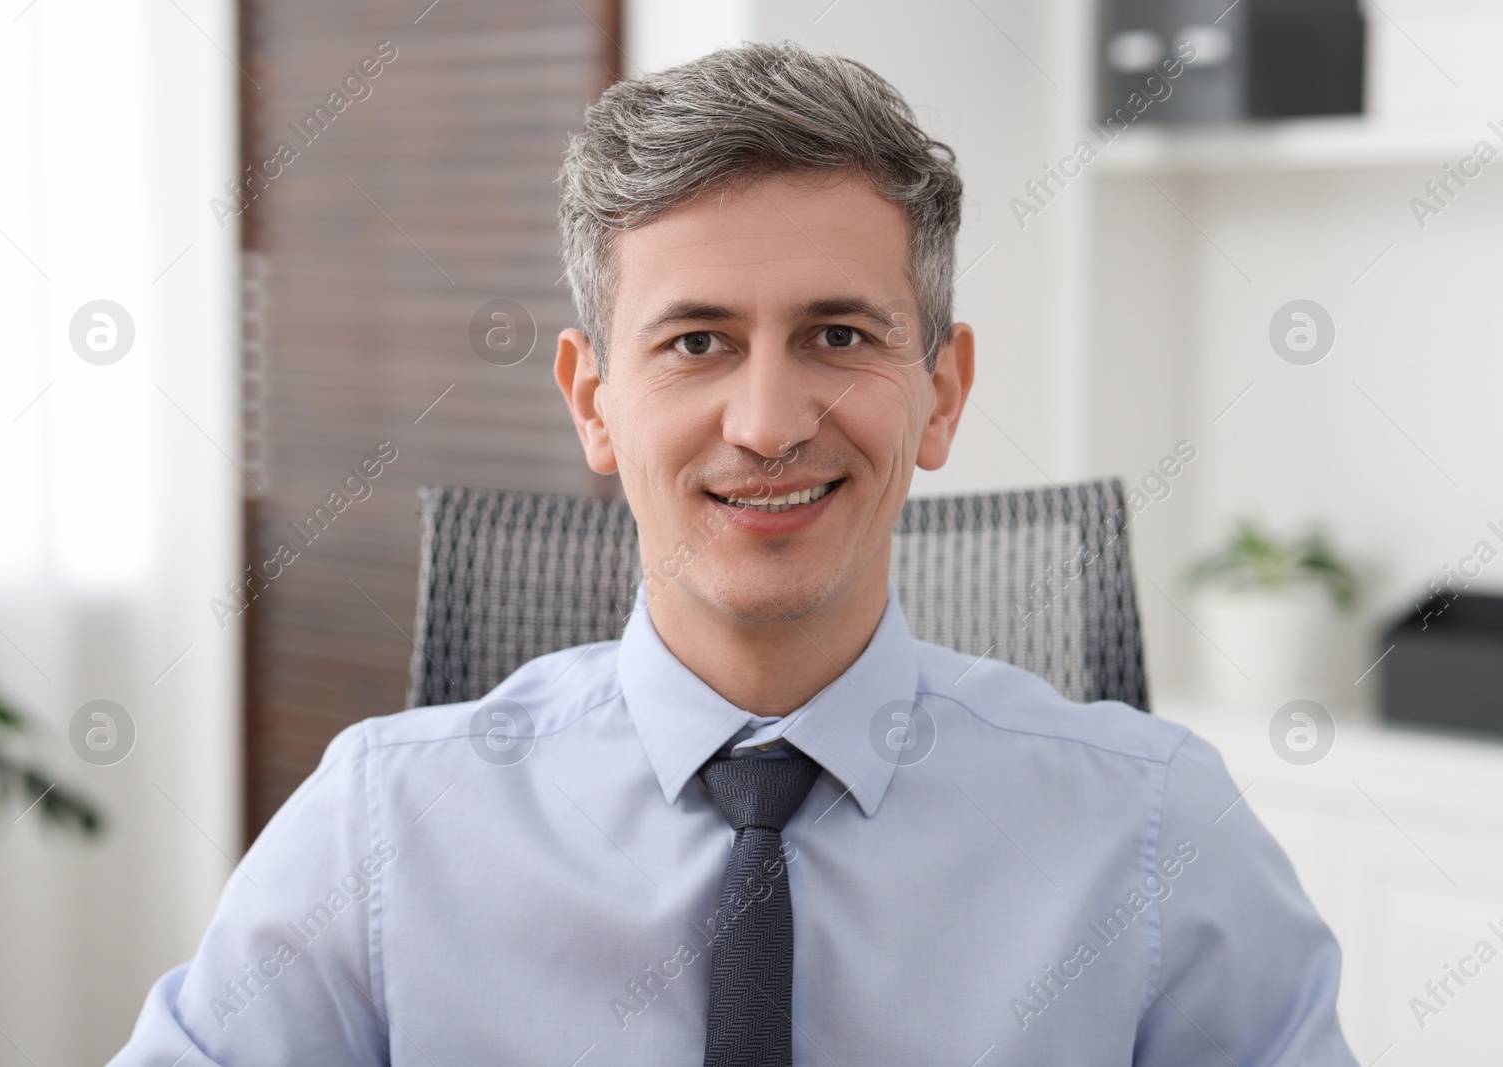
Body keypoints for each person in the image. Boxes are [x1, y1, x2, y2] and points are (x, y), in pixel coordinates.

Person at [110, 41, 1358, 1066]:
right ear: (593, 402)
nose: (766, 422)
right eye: (697, 342)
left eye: (836, 334)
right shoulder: (379, 827)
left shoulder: (1154, 827)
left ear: (941, 391)